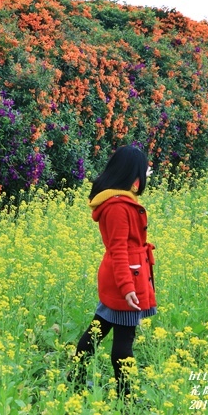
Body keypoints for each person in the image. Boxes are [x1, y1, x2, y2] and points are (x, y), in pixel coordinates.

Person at [68, 145, 157, 400]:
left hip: (125, 276)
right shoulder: (118, 207)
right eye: (143, 171)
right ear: (133, 174)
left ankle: (74, 378)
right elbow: (118, 249)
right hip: (126, 279)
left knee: (98, 329)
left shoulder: (118, 201)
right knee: (122, 341)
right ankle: (126, 396)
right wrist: (128, 288)